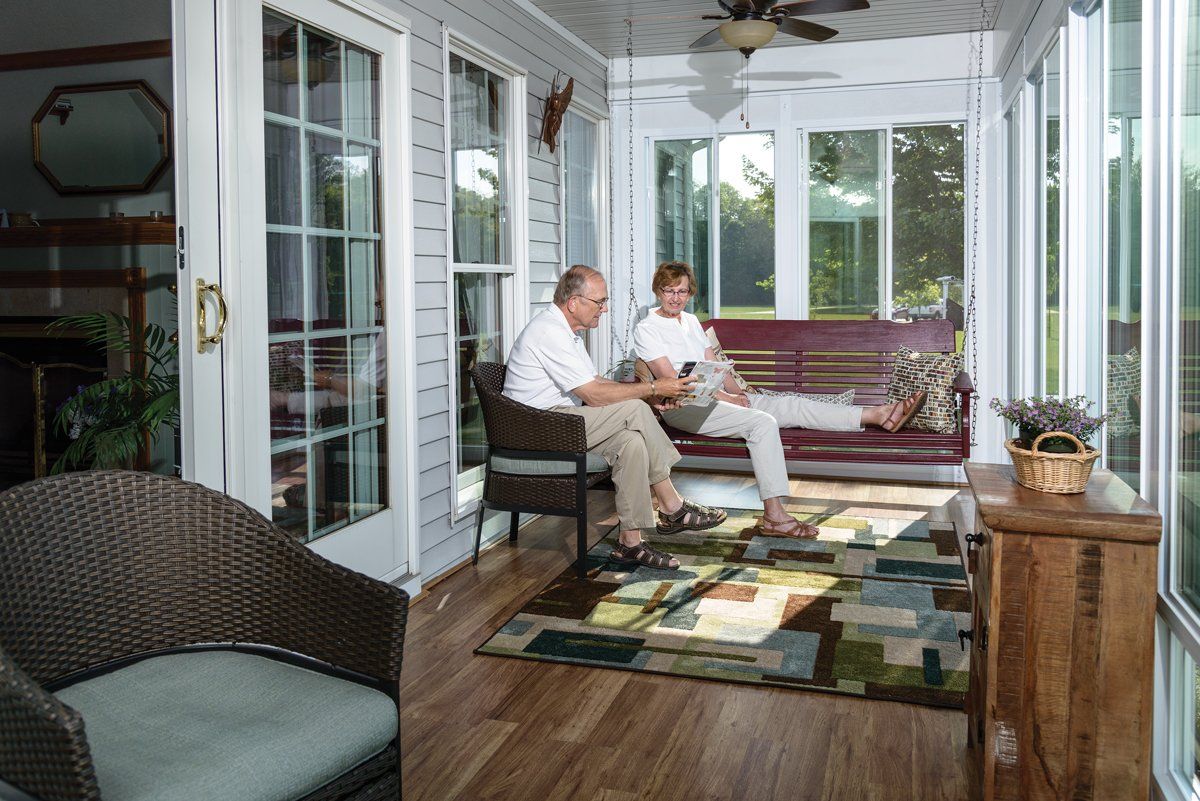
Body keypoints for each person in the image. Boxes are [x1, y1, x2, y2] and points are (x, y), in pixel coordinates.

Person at [634, 261, 927, 539]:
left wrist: (740, 393)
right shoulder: (647, 328)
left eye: (682, 291)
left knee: (792, 405)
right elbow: (673, 381)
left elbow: (715, 366)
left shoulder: (690, 321)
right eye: (668, 291)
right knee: (762, 424)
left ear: (690, 292)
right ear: (658, 291)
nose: (675, 298)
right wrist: (727, 398)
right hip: (683, 407)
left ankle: (878, 414)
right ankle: (774, 516)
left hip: (716, 399)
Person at [504, 264, 729, 570]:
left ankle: (630, 544)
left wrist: (651, 394)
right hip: (536, 426)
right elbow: (594, 394)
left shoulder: (567, 331)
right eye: (599, 302)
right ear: (574, 303)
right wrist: (652, 388)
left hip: (560, 421)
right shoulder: (549, 331)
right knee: (635, 409)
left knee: (631, 442)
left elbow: (595, 380)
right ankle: (672, 504)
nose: (605, 309)